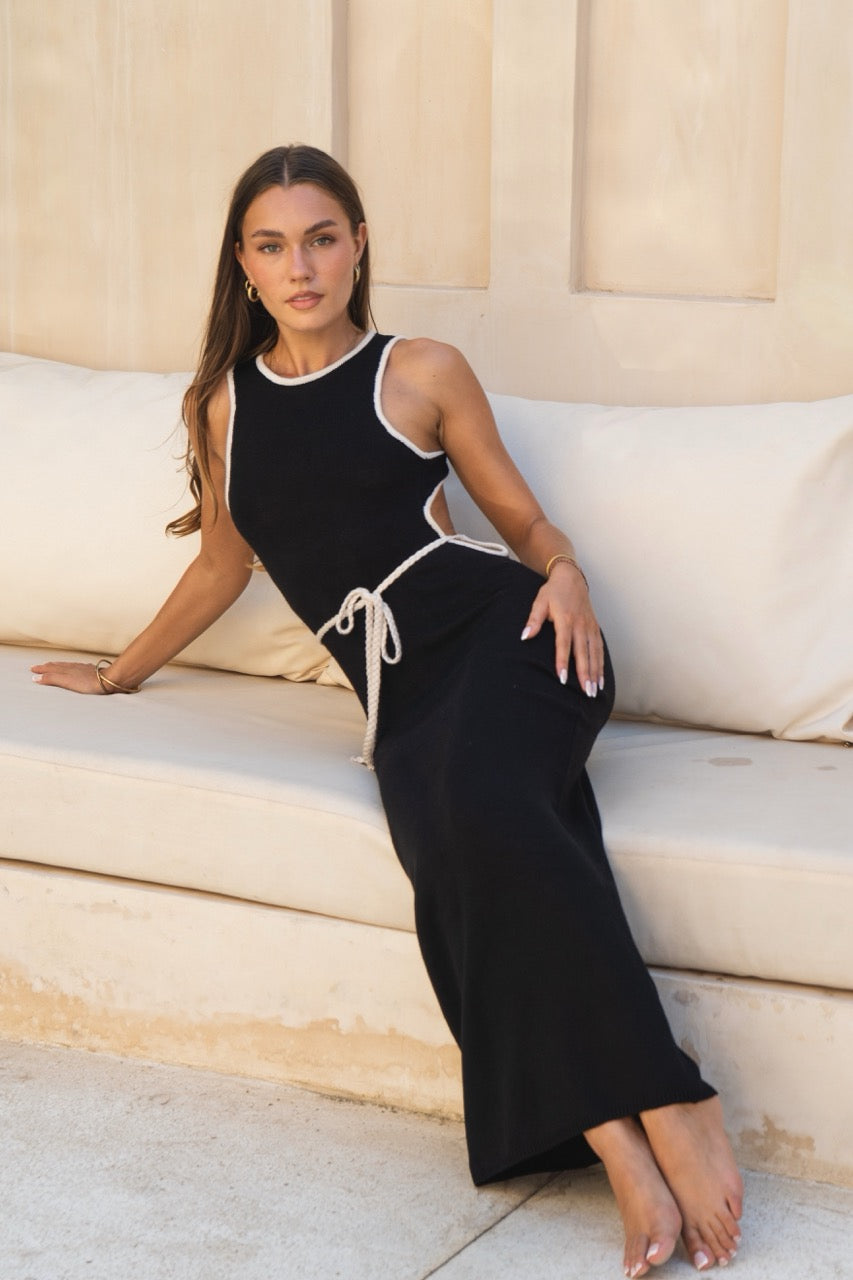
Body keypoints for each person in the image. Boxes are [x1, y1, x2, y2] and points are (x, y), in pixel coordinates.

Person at [32, 144, 743, 1276]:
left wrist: (566, 573)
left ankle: (663, 1105)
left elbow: (520, 521)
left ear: (358, 245)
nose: (300, 267)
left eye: (322, 239)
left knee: (484, 815)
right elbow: (222, 564)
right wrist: (120, 674)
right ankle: (618, 1123)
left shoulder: (419, 370)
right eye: (272, 246)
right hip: (403, 693)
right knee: (452, 849)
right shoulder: (223, 406)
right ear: (243, 264)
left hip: (513, 636)